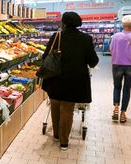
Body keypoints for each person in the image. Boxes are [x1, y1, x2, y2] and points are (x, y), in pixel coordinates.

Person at [42, 12, 99, 150]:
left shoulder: (57, 36)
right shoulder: (86, 39)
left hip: (55, 78)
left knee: (55, 105)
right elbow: (93, 61)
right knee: (67, 109)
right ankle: (64, 142)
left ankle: (56, 135)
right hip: (74, 80)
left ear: (64, 23)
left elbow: (45, 56)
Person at [109, 15, 131, 123]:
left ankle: (115, 109)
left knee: (117, 87)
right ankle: (123, 113)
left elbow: (111, 51)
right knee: (127, 89)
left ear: (122, 24)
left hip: (117, 64)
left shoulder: (115, 36)